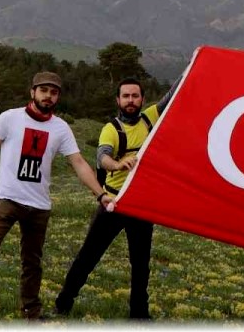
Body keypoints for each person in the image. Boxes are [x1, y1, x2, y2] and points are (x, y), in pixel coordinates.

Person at [0, 71, 111, 320]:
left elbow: (78, 163)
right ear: (33, 92)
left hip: (38, 205)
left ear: (57, 97)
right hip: (6, 198)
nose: (48, 96)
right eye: (44, 90)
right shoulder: (10, 118)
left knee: (32, 262)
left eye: (54, 92)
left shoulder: (61, 128)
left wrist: (100, 194)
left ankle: (31, 312)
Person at [55, 77, 169, 320]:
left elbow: (174, 93)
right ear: (118, 100)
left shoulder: (151, 117)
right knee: (88, 256)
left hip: (141, 204)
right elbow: (102, 158)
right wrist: (117, 165)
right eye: (126, 96)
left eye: (135, 96)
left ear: (142, 99)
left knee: (141, 264)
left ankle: (139, 315)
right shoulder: (111, 129)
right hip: (114, 203)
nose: (130, 101)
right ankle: (63, 305)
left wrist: (196, 60)